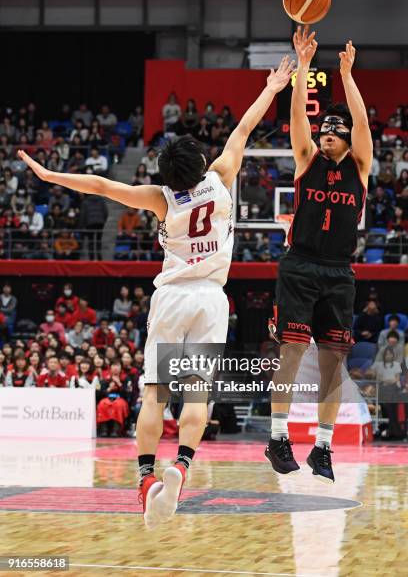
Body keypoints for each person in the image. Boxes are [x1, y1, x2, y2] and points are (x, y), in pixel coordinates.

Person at [16, 55, 295, 527]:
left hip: (171, 298)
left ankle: (146, 480)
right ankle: (181, 467)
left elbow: (102, 186)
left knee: (155, 395)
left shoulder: (159, 199)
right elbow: (244, 129)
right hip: (210, 299)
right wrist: (272, 88)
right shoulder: (223, 178)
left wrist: (50, 176)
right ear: (200, 164)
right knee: (197, 396)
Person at [266, 27, 373, 484]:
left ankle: (324, 447)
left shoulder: (360, 166)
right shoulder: (307, 158)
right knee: (291, 351)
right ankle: (277, 437)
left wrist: (348, 76)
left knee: (333, 359)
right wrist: (304, 68)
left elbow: (364, 124)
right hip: (299, 264)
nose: (327, 135)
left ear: (347, 140)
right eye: (324, 131)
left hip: (338, 271)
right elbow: (296, 120)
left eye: (335, 131)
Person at [79, 193, 108, 260]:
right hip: (100, 223)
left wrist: (82, 225)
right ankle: (99, 257)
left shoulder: (85, 202)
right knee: (98, 240)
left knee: (91, 241)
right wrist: (103, 221)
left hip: (89, 223)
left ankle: (91, 258)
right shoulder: (101, 200)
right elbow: (105, 212)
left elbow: (83, 215)